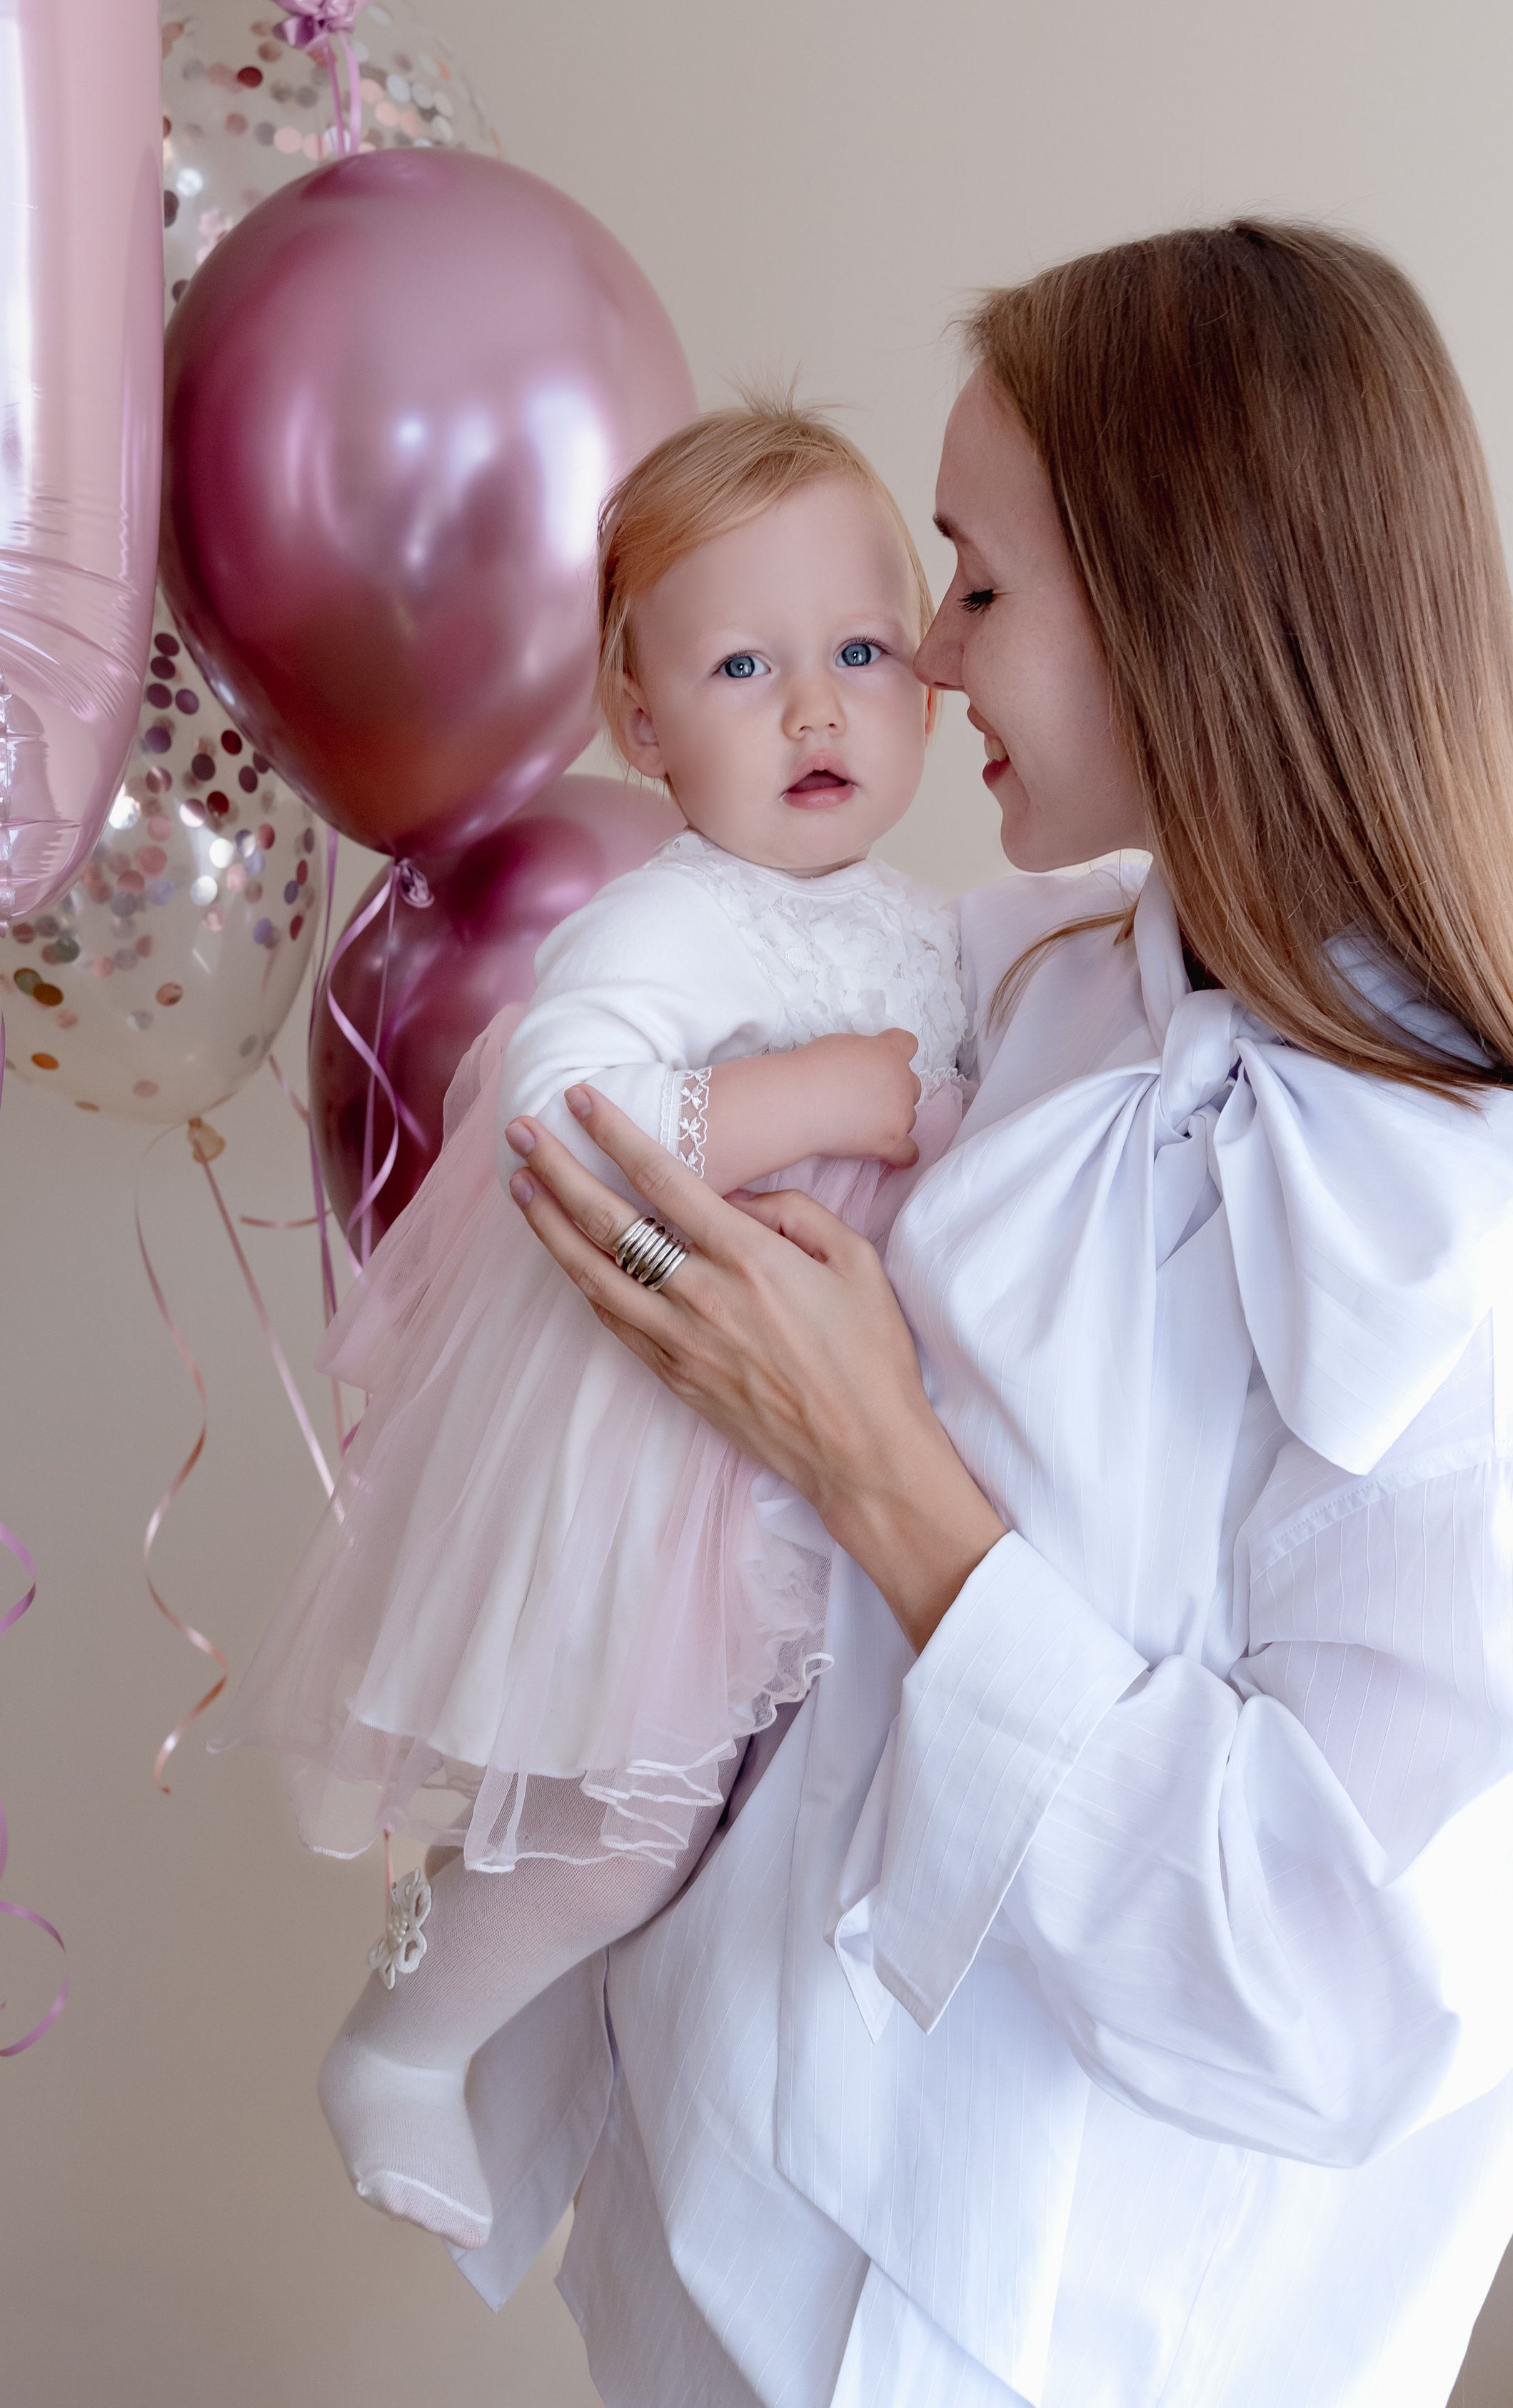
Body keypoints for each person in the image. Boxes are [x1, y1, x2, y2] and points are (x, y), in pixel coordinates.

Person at [483, 221, 1513, 2408]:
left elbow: (1333, 1990)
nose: (923, 659)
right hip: (706, 2280)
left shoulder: (1504, 1276)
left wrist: (890, 1480)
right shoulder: (1039, 1005)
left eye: (978, 581)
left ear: (1182, 607)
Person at [213, 403, 967, 2253]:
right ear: (643, 725)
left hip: (824, 1443)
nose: (816, 711)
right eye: (744, 666)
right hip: (666, 1452)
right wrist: (826, 1100)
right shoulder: (678, 923)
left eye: (863, 654)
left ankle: (593, 2085)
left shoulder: (934, 926)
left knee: (757, 1838)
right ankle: (410, 2041)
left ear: (932, 683)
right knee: (632, 1827)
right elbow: (552, 1120)